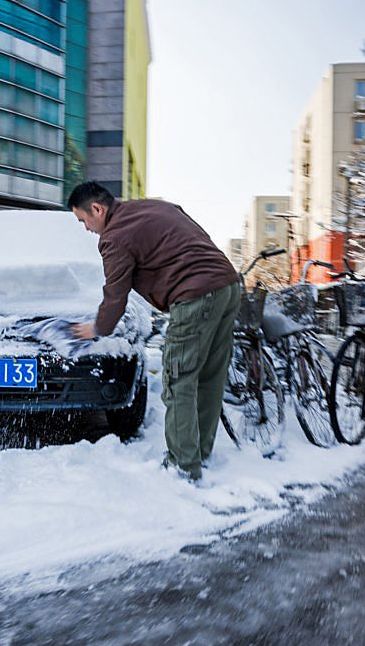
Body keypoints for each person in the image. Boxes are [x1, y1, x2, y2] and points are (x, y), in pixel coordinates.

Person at [68, 181, 240, 481]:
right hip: (227, 285)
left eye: (84, 221)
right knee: (210, 377)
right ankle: (199, 453)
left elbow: (115, 295)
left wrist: (98, 327)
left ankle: (182, 466)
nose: (86, 229)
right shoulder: (153, 206)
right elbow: (194, 236)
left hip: (195, 296)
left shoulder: (115, 237)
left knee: (178, 379)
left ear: (98, 209)